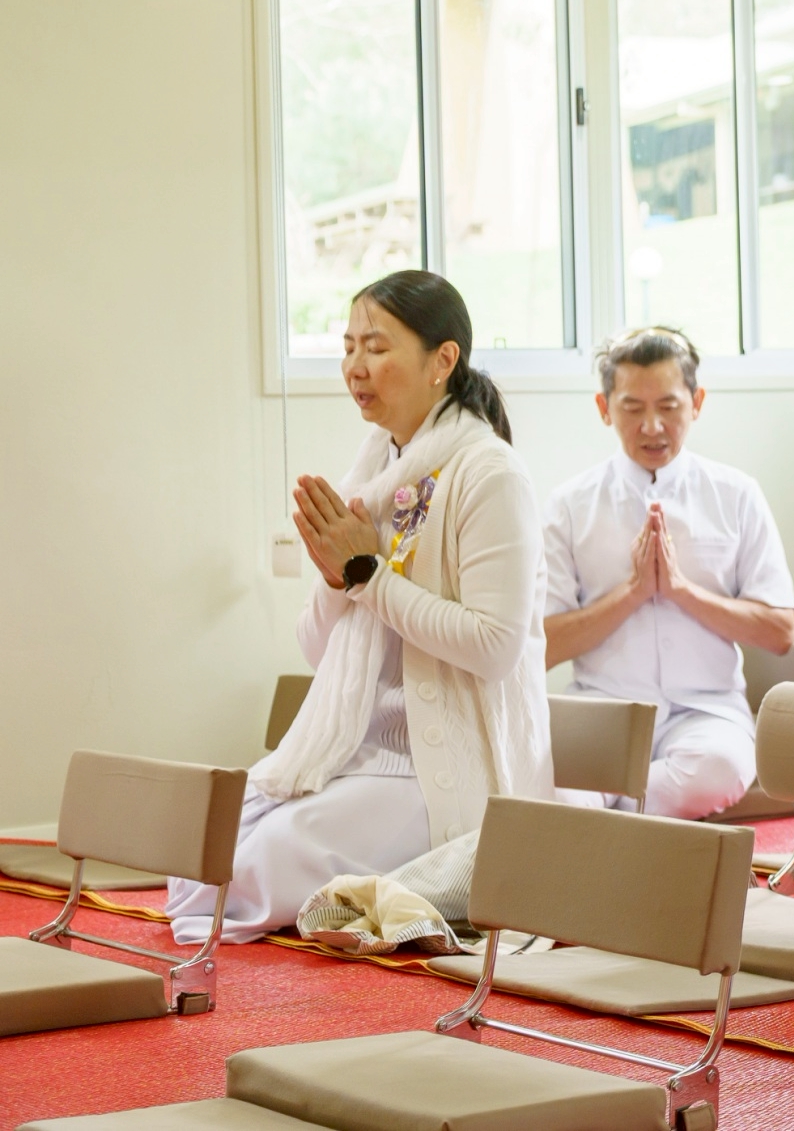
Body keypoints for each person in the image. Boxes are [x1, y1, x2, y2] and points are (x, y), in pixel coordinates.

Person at [165, 272, 552, 944]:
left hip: (435, 771)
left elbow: (495, 646)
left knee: (252, 868)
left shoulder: (488, 473)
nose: (354, 367)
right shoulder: (375, 472)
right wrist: (335, 577)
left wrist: (366, 575)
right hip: (355, 748)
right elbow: (320, 650)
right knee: (196, 854)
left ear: (443, 359)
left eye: (375, 347)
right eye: (347, 347)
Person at [543, 328, 794, 820]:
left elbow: (780, 631)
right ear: (604, 408)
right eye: (632, 408)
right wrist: (633, 593)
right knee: (550, 792)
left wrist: (680, 591)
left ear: (696, 402)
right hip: (601, 711)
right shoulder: (570, 505)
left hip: (706, 713)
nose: (652, 426)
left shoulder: (737, 494)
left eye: (669, 406)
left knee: (717, 769)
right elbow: (543, 646)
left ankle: (609, 830)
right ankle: (633, 832)